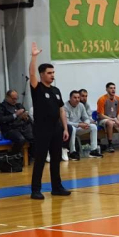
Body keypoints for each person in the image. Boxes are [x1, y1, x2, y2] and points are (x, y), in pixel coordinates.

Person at [28, 43, 70, 200]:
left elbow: (61, 110)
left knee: (56, 159)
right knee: (40, 160)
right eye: (49, 73)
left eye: (53, 73)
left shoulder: (56, 90)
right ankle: (35, 190)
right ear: (42, 74)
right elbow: (31, 73)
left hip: (56, 129)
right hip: (42, 129)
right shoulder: (37, 88)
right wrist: (34, 57)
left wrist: (65, 128)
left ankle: (57, 187)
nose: (52, 75)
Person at [0, 89, 34, 158]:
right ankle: (11, 156)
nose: (15, 101)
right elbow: (0, 119)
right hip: (9, 130)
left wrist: (26, 117)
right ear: (7, 97)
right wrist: (15, 115)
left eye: (16, 99)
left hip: (22, 127)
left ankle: (31, 156)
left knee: (34, 137)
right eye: (13, 99)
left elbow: (28, 118)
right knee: (20, 139)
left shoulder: (18, 106)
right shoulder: (0, 107)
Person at [64, 90, 100, 160]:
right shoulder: (65, 106)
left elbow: (86, 118)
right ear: (70, 98)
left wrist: (86, 124)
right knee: (72, 128)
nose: (77, 99)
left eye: (78, 98)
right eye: (75, 98)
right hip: (69, 129)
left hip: (78, 127)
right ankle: (72, 152)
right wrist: (79, 125)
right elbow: (66, 122)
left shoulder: (81, 105)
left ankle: (93, 150)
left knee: (93, 127)